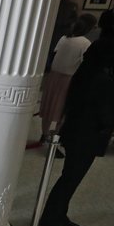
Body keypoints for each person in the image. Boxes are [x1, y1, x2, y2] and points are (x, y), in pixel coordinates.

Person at [37, 41, 114, 226]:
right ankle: (50, 220)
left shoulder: (84, 71)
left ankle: (59, 214)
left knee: (70, 178)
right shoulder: (101, 78)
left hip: (75, 132)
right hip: (86, 135)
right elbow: (105, 111)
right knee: (70, 179)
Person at [38, 14, 97, 143]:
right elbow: (85, 62)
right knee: (62, 108)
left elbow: (55, 54)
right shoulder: (85, 43)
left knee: (50, 105)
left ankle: (44, 133)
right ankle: (55, 136)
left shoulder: (64, 38)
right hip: (69, 78)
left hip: (54, 75)